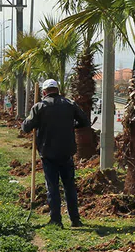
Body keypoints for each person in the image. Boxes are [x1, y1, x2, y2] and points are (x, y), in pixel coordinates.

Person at [21, 78, 89, 228]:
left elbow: (25, 127)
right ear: (58, 91)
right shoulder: (69, 104)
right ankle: (75, 219)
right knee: (69, 186)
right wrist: (72, 125)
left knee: (52, 187)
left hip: (48, 153)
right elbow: (84, 121)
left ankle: (56, 220)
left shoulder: (39, 107)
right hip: (67, 152)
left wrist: (35, 122)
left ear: (44, 92)